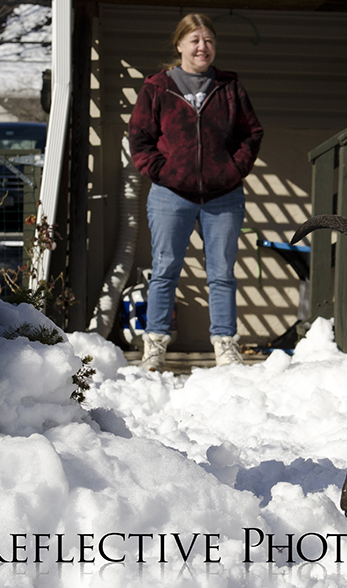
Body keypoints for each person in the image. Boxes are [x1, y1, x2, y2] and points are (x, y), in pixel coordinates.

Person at [129, 13, 263, 371]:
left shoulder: (229, 87)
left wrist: (232, 170)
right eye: (195, 40)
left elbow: (251, 134)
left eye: (209, 41)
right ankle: (155, 345)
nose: (203, 47)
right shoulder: (158, 87)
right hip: (171, 195)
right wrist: (164, 171)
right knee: (165, 269)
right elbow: (139, 139)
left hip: (224, 195)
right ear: (180, 45)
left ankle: (225, 346)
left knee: (221, 272)